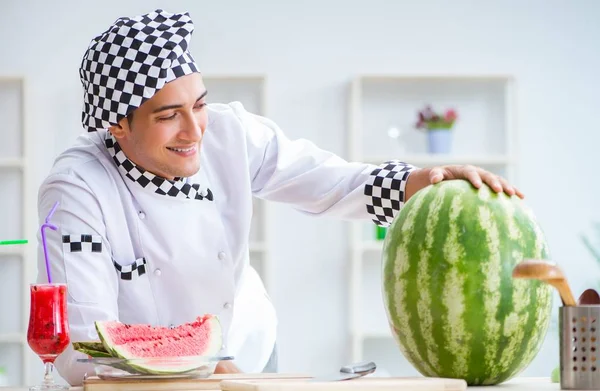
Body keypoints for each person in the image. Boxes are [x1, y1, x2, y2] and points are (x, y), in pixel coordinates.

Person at [35, 9, 523, 386]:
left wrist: (417, 181)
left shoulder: (233, 135)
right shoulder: (77, 191)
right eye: (168, 116)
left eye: (199, 104)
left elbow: (332, 183)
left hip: (249, 348)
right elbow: (84, 347)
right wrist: (192, 372)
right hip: (139, 382)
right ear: (117, 124)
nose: (193, 130)